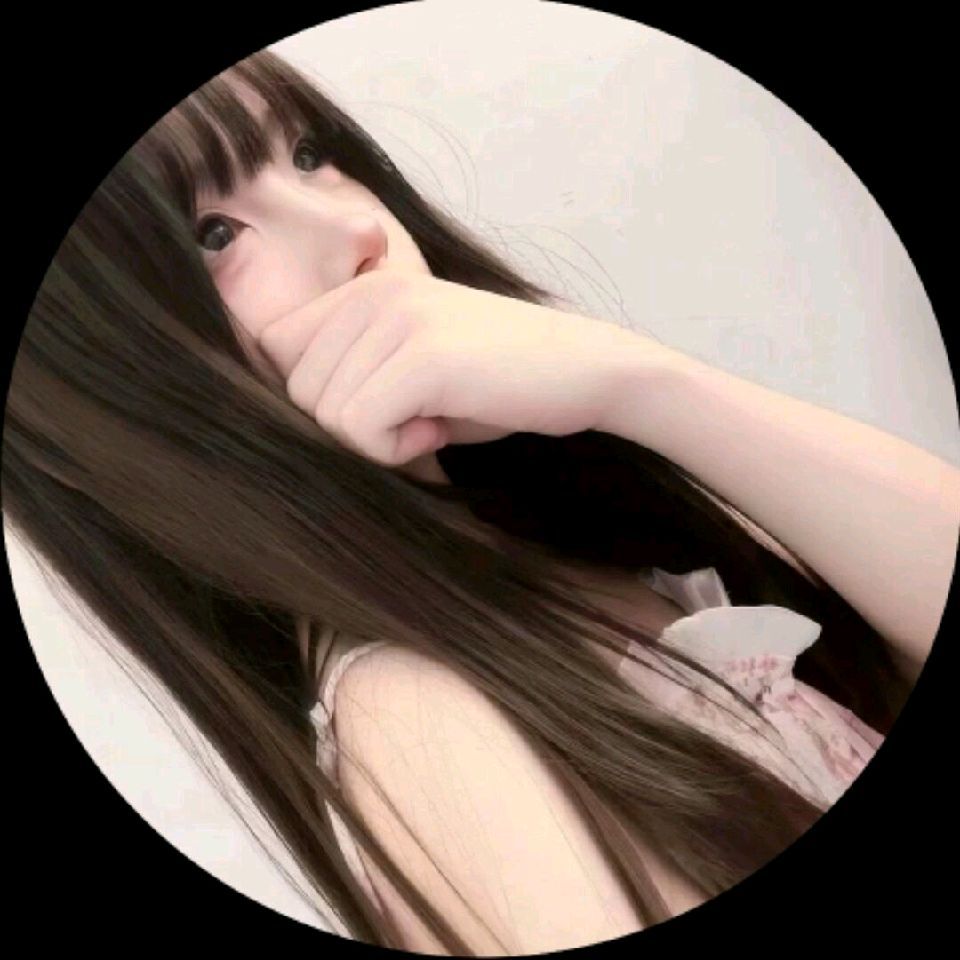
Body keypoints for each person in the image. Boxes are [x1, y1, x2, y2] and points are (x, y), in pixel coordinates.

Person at [5, 48, 956, 955]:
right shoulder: (420, 717)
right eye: (213, 234)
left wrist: (643, 388)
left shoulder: (584, 537)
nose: (358, 230)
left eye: (309, 153)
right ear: (115, 405)